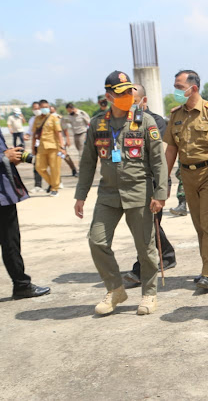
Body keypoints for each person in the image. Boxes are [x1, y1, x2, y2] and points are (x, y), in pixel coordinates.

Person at [74, 71, 168, 315]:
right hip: (108, 195)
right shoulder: (97, 123)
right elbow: (87, 163)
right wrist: (80, 195)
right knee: (97, 240)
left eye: (129, 91)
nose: (127, 96)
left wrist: (160, 193)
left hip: (139, 191)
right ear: (109, 96)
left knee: (145, 248)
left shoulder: (144, 120)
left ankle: (149, 294)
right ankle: (115, 289)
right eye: (121, 93)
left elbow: (159, 160)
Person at [164, 70, 208, 291]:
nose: (175, 91)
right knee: (199, 224)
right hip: (187, 175)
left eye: (178, 86)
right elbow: (171, 148)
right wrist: (164, 178)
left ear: (193, 88)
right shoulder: (175, 115)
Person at [123, 84, 177, 285]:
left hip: (153, 181)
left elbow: (160, 157)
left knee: (147, 226)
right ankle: (168, 255)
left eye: (132, 100)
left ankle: (141, 268)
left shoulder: (156, 122)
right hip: (132, 182)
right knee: (147, 225)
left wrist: (162, 186)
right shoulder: (122, 122)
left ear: (143, 101)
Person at [0, 131, 51, 300]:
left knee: (10, 242)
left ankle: (22, 285)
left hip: (4, 195)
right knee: (10, 242)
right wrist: (4, 156)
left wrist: (11, 156)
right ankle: (21, 285)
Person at [32, 99, 65, 197]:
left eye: (46, 107)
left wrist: (62, 147)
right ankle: (52, 183)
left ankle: (54, 189)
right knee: (39, 167)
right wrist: (33, 147)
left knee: (55, 169)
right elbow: (34, 134)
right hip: (42, 147)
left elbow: (59, 133)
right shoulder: (37, 119)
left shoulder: (54, 118)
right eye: (43, 107)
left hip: (54, 147)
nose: (45, 109)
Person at [26, 102, 43, 192]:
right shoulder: (32, 119)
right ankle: (38, 185)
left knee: (51, 165)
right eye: (34, 109)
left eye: (38, 108)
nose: (36, 110)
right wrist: (27, 135)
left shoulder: (48, 118)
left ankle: (55, 185)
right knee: (37, 165)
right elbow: (30, 131)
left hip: (48, 146)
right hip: (37, 145)